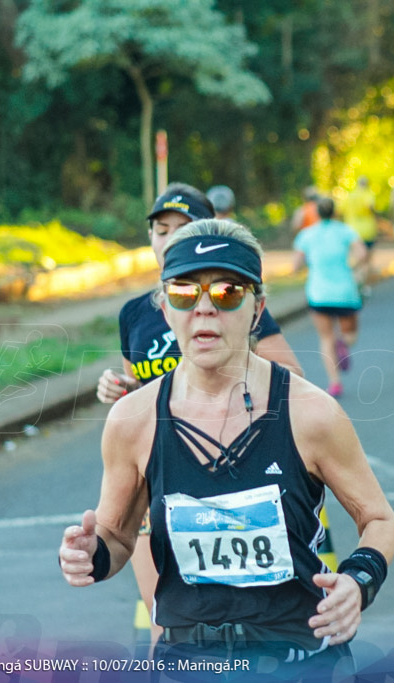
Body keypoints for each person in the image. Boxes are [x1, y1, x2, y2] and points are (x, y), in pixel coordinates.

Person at [61, 220, 394, 677]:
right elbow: (117, 536)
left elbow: (379, 519)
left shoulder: (310, 413)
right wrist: (90, 554)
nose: (204, 310)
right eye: (184, 293)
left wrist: (359, 582)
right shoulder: (132, 419)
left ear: (257, 309)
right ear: (165, 309)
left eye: (226, 294)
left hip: (300, 661)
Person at [95, 183, 302, 645]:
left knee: (253, 617)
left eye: (182, 229)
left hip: (235, 468)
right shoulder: (135, 312)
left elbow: (290, 375)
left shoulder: (233, 298)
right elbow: (140, 390)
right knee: (166, 616)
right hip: (164, 472)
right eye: (160, 229)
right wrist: (122, 388)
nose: (169, 238)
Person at [293, 196, 366, 398]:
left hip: (319, 293)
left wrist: (307, 265)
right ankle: (343, 343)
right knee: (351, 335)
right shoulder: (345, 231)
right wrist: (354, 268)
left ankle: (334, 383)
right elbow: (361, 254)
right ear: (334, 211)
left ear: (316, 212)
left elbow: (295, 266)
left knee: (326, 338)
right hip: (346, 292)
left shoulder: (306, 235)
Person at [340, 176, 379, 295]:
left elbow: (341, 210)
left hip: (351, 230)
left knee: (356, 258)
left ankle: (354, 280)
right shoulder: (367, 194)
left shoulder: (349, 196)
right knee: (366, 260)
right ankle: (363, 286)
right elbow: (370, 206)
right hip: (367, 230)